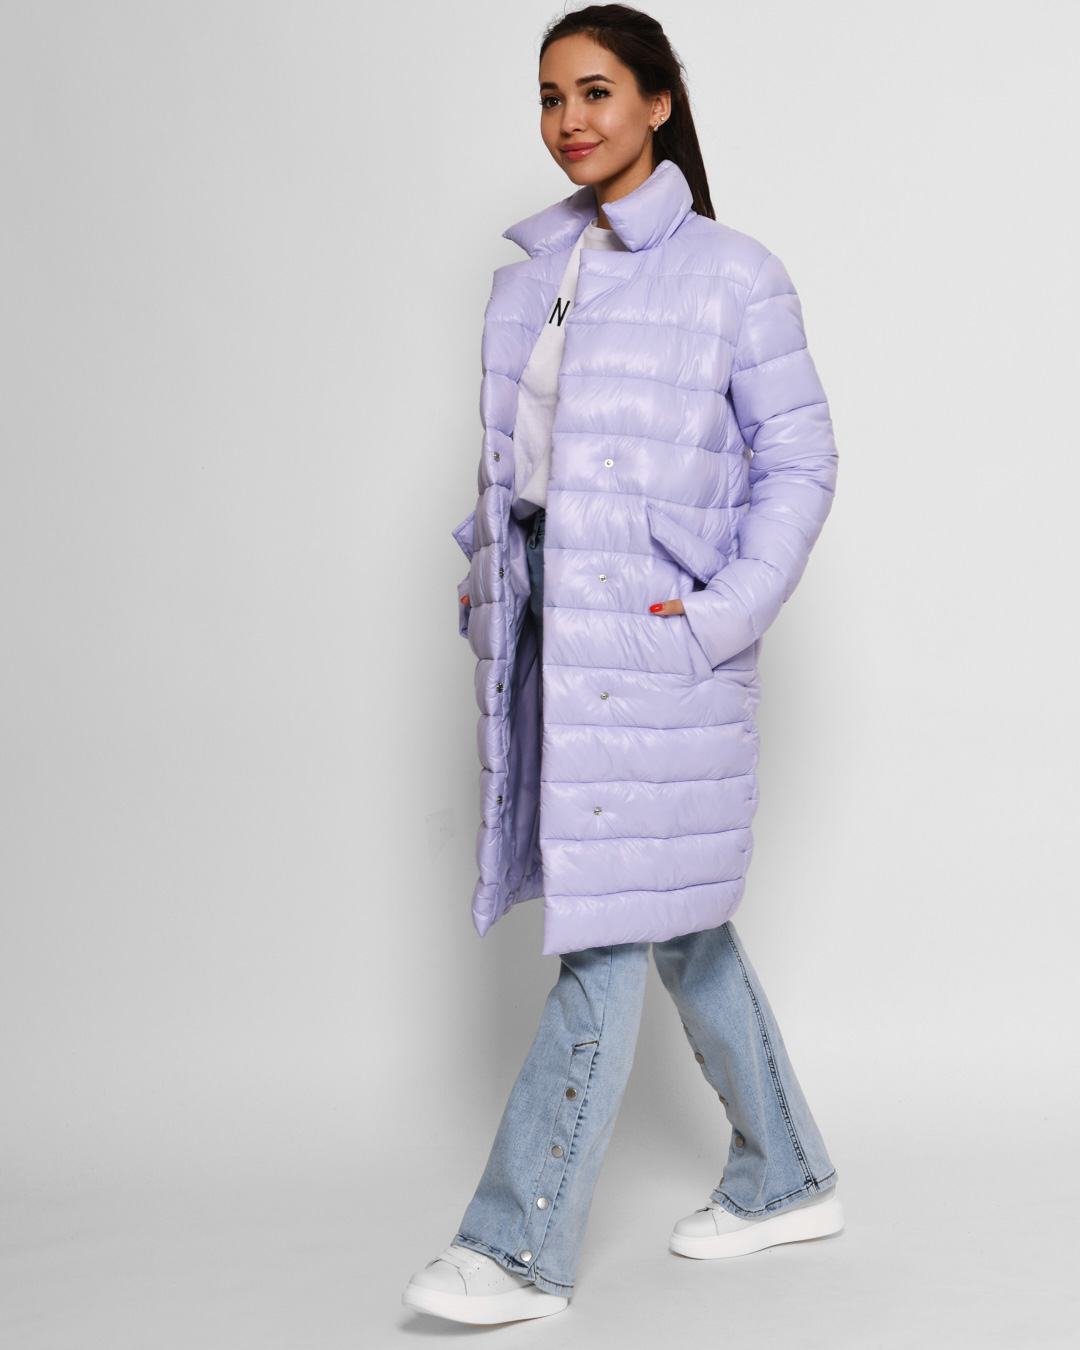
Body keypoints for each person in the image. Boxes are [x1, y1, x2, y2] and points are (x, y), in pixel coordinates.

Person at [403, 4, 842, 1325]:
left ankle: (515, 1247)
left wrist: (718, 617)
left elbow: (800, 464)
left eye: (596, 90)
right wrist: (487, 565)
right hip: (548, 631)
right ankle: (788, 1175)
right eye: (551, 96)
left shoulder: (732, 274)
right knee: (678, 917)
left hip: (657, 647)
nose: (569, 119)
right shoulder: (530, 276)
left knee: (605, 926)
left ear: (659, 101)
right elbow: (528, 463)